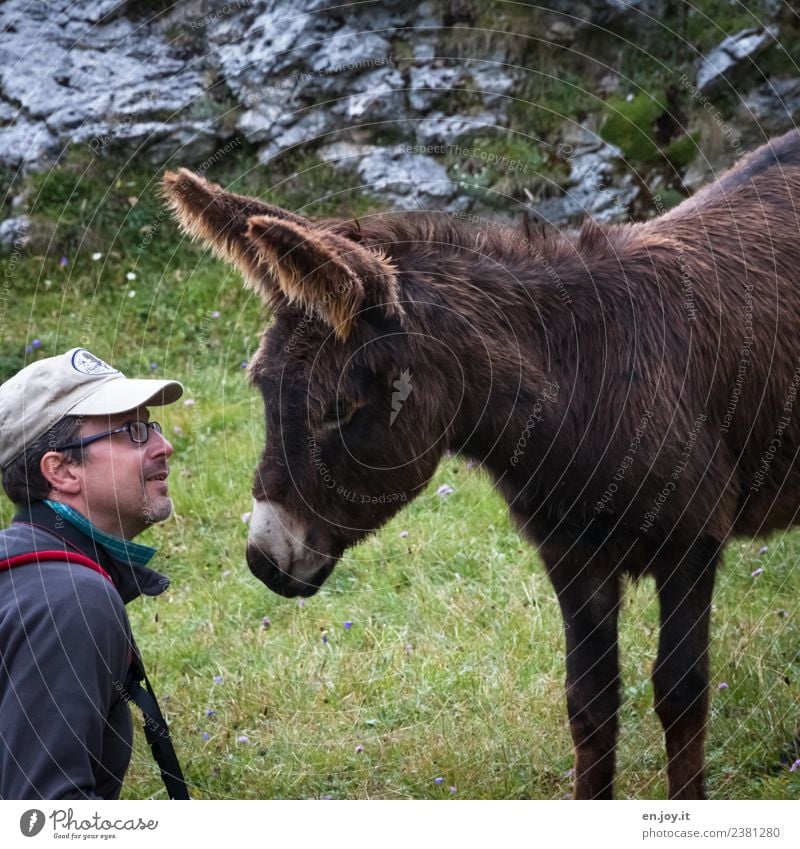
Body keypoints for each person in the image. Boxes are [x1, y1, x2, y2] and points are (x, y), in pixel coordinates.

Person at [0, 347, 187, 799]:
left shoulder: (29, 577)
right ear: (62, 470)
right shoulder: (70, 599)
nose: (165, 447)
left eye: (153, 427)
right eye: (134, 433)